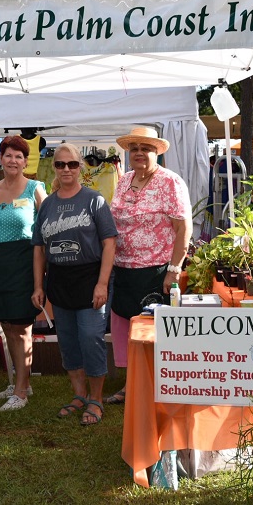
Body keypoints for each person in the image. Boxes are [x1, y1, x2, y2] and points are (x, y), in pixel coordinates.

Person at [105, 126, 192, 405]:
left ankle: (157, 388)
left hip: (155, 270)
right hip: (123, 269)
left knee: (152, 330)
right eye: (135, 148)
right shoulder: (124, 180)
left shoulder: (170, 182)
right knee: (125, 328)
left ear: (157, 152)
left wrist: (174, 270)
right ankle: (132, 385)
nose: (139, 153)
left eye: (146, 148)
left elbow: (183, 228)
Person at [31, 143, 117, 426]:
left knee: (91, 337)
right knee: (67, 341)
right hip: (59, 279)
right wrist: (39, 286)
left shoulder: (94, 200)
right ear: (54, 167)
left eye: (72, 164)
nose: (66, 169)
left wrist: (102, 283)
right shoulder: (47, 205)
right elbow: (39, 248)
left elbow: (109, 243)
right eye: (60, 164)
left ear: (80, 166)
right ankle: (79, 395)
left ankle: (96, 398)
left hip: (90, 277)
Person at [0, 136, 46, 411]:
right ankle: (21, 381)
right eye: (8, 155)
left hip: (23, 263)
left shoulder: (34, 189)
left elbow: (46, 230)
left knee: (21, 327)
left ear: (25, 161)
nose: (13, 160)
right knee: (6, 325)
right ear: (0, 159)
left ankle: (21, 391)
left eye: (19, 156)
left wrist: (41, 277)